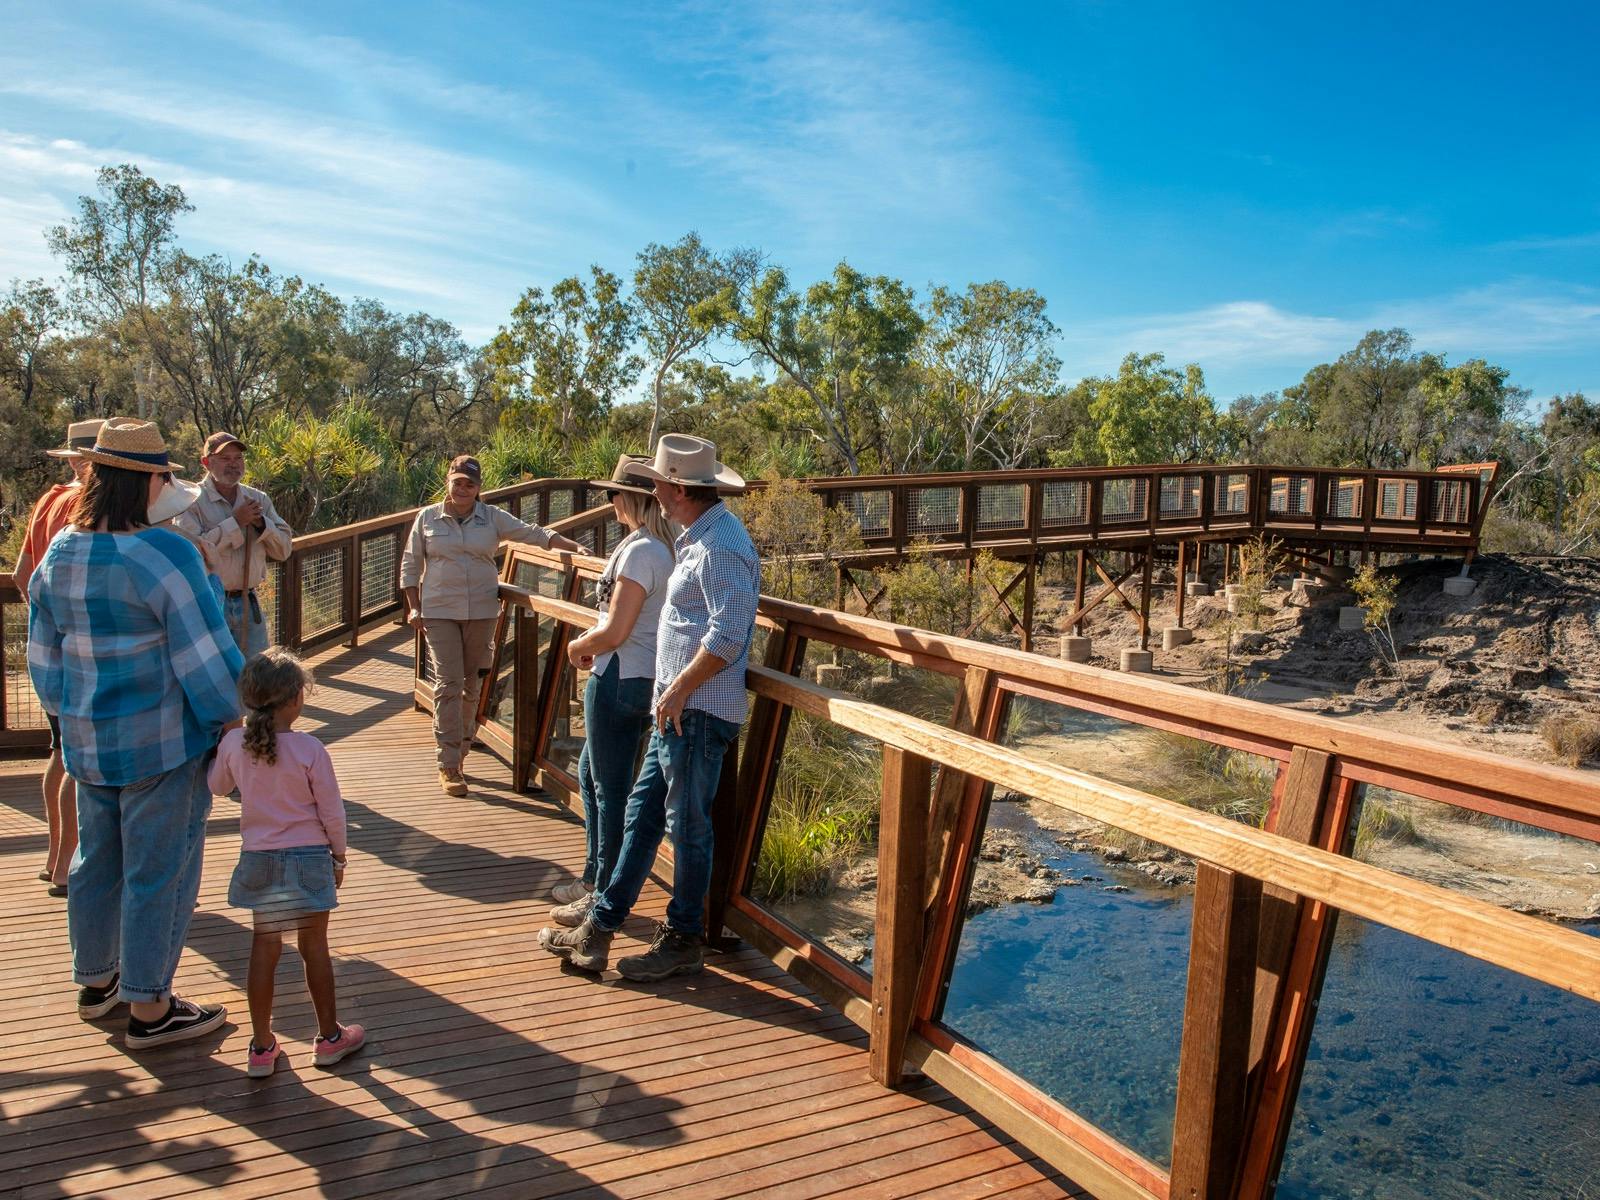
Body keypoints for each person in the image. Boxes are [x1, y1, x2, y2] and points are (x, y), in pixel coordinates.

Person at [27, 417, 242, 1048]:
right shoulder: (166, 552)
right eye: (164, 475)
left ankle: (97, 983)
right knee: (160, 872)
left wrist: (71, 720)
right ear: (146, 480)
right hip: (164, 744)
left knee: (98, 863)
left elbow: (45, 660)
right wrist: (234, 724)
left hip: (87, 742)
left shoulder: (61, 549)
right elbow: (207, 659)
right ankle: (152, 1008)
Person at [540, 433, 758, 982]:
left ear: (681, 489)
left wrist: (680, 687)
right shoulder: (696, 536)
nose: (654, 492)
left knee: (686, 827)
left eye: (660, 483)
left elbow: (728, 635)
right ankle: (600, 930)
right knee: (641, 816)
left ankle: (684, 938)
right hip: (677, 708)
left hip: (698, 710)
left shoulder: (721, 544)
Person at [208, 648, 365, 1078]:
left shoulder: (236, 744)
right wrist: (339, 854)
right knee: (314, 949)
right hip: (309, 856)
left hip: (260, 859)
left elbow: (217, 787)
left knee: (265, 948)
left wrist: (225, 740)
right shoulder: (311, 748)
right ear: (295, 699)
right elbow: (332, 811)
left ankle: (261, 1046)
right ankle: (330, 1038)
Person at [400, 454, 585, 797]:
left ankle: (464, 745)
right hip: (439, 611)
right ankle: (449, 763)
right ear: (448, 481)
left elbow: (534, 534)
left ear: (479, 487)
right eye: (458, 482)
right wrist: (414, 608)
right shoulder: (427, 518)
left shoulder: (491, 518)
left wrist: (573, 548)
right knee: (449, 683)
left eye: (470, 483)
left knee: (472, 685)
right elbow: (410, 565)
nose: (463, 489)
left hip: (482, 609)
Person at [548, 455, 676, 925]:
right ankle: (592, 879)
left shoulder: (643, 552)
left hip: (619, 675)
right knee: (592, 777)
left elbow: (618, 628)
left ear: (632, 499)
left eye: (613, 494)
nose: (610, 502)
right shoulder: (660, 548)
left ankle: (601, 893)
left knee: (610, 790)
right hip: (640, 676)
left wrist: (578, 645)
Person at [15, 418, 103, 895]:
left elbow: (23, 574)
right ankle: (70, 865)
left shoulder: (48, 499)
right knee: (77, 759)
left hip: (52, 653)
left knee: (58, 752)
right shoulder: (82, 506)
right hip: (82, 655)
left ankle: (54, 857)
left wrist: (48, 628)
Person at [174, 431, 293, 656]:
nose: (234, 464)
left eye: (238, 458)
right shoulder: (190, 502)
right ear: (206, 463)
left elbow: (284, 549)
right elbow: (193, 552)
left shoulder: (258, 500)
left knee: (256, 677)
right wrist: (235, 523)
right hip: (210, 603)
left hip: (249, 603)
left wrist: (261, 524)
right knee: (217, 674)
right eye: (225, 459)